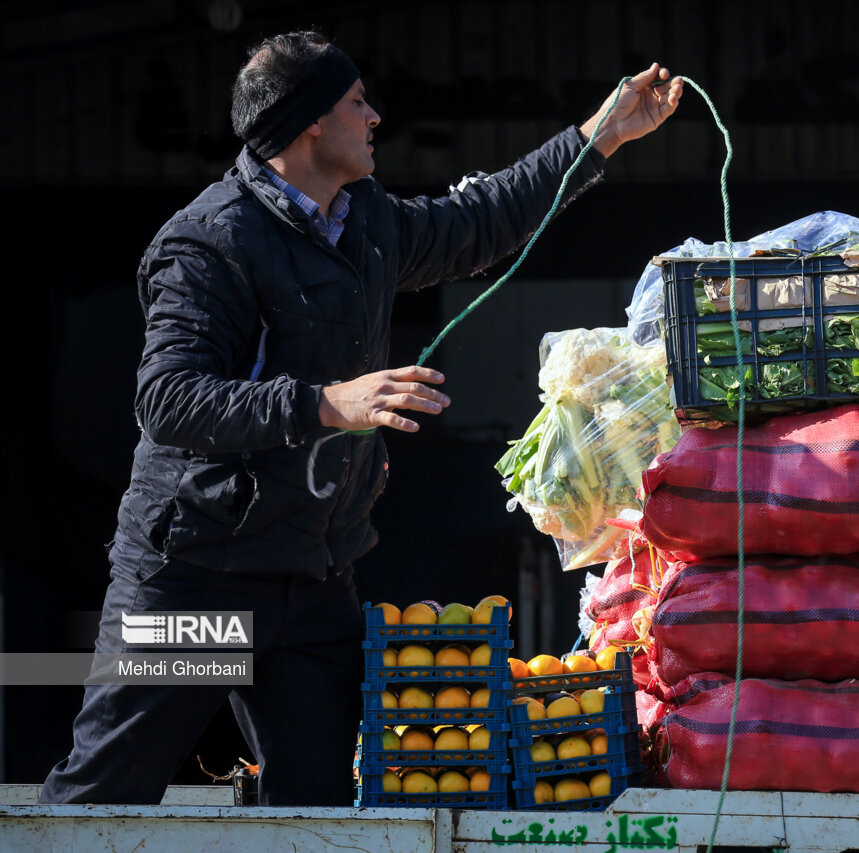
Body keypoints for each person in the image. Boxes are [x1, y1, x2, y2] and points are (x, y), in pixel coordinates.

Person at [39, 30, 681, 806]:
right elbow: (168, 398)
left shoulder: (364, 219)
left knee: (316, 802)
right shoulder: (209, 242)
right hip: (196, 581)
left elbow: (480, 219)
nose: (374, 116)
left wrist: (601, 135)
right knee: (109, 785)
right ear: (310, 120)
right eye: (356, 102)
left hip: (311, 585)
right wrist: (327, 402)